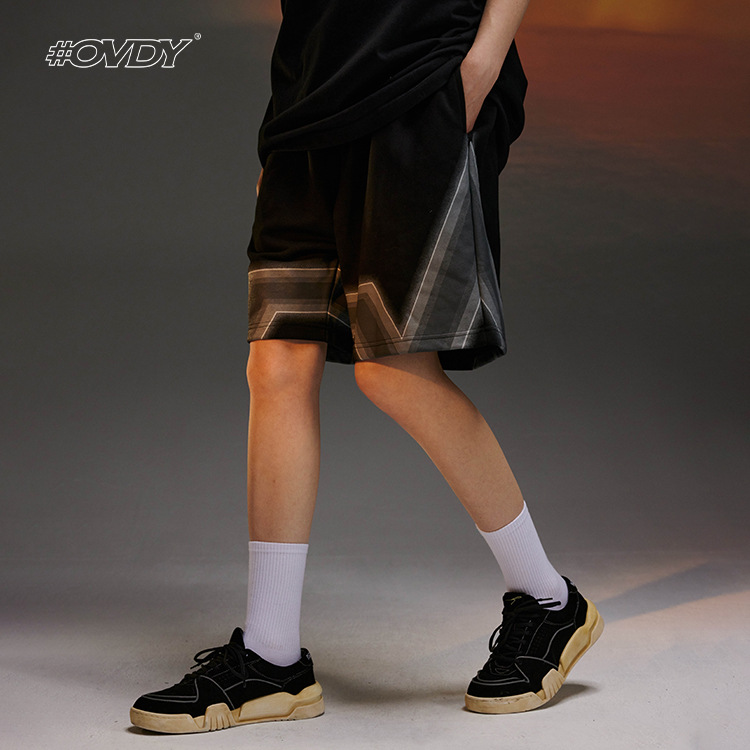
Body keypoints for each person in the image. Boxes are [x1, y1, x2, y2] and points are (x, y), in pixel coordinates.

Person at [129, 0, 603, 734]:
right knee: (276, 361)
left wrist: (479, 66)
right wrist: (288, 117)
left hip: (421, 79)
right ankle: (271, 656)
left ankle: (548, 599)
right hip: (309, 102)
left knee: (395, 367)